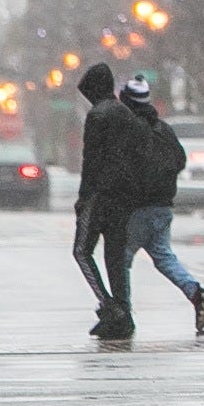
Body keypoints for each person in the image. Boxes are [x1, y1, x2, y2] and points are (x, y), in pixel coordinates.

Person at [119, 75, 204, 335]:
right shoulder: (163, 129)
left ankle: (123, 311)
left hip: (137, 208)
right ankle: (196, 293)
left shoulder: (129, 130)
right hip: (163, 207)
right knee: (163, 256)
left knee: (121, 259)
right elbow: (180, 160)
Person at [72, 61, 157, 339]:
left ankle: (110, 307)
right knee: (114, 256)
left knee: (82, 251)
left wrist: (83, 199)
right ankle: (124, 311)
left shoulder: (97, 116)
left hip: (100, 195)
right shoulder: (127, 115)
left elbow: (91, 162)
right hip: (125, 198)